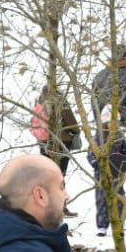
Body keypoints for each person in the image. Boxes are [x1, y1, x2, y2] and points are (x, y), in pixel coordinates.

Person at [28, 85, 80, 218]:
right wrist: (76, 131)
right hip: (61, 141)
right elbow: (71, 120)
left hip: (44, 142)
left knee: (47, 176)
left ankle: (47, 207)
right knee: (59, 176)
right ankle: (60, 208)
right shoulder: (59, 99)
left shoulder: (39, 100)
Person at [87, 113, 126, 237]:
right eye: (111, 122)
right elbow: (91, 154)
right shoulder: (98, 137)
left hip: (116, 172)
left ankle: (118, 223)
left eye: (116, 122)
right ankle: (102, 226)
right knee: (102, 199)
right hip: (101, 174)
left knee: (119, 198)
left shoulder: (119, 135)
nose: (114, 125)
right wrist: (96, 163)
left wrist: (124, 158)